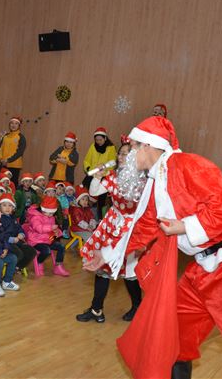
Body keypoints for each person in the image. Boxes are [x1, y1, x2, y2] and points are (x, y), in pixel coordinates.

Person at [92, 116, 222, 379]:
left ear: (148, 146)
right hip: (202, 270)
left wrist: (183, 226)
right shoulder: (155, 181)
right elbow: (145, 228)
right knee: (174, 336)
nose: (128, 154)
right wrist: (106, 255)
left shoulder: (189, 165)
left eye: (133, 145)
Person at [77, 139, 142, 323]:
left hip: (129, 227)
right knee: (101, 266)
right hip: (112, 223)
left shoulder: (142, 180)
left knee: (130, 272)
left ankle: (138, 306)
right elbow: (94, 192)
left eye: (125, 154)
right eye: (120, 153)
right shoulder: (113, 175)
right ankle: (96, 309)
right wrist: (98, 174)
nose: (120, 157)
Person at [23, 196, 69, 276]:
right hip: (36, 241)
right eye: (49, 213)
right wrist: (51, 228)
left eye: (52, 213)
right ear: (43, 209)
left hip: (47, 239)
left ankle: (58, 266)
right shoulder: (35, 217)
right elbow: (39, 228)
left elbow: (52, 230)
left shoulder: (51, 217)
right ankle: (39, 262)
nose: (51, 215)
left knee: (61, 246)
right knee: (46, 250)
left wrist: (57, 232)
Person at [82, 127, 117, 219]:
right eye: (96, 140)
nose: (98, 142)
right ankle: (86, 217)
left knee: (101, 200)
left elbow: (112, 163)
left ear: (105, 138)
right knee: (86, 195)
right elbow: (87, 160)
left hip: (103, 176)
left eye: (100, 140)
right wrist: (88, 168)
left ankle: (100, 219)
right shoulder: (93, 146)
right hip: (92, 174)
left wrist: (103, 169)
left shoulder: (111, 148)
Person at [0, 193, 36, 271]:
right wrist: (11, 239)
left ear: (13, 207)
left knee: (31, 251)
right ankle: (6, 269)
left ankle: (17, 267)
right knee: (19, 254)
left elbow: (19, 228)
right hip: (5, 243)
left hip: (17, 242)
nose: (7, 208)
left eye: (10, 205)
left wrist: (21, 234)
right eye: (4, 205)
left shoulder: (13, 218)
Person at [0, 116, 26, 183]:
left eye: (16, 123)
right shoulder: (5, 136)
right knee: (1, 182)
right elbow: (0, 149)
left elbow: (20, 152)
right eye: (12, 123)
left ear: (19, 126)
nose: (13, 125)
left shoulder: (21, 137)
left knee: (12, 183)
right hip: (4, 164)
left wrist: (9, 160)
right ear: (9, 125)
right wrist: (1, 159)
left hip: (14, 165)